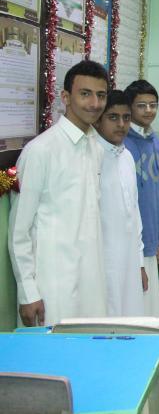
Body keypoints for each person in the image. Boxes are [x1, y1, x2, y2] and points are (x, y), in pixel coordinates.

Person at [9, 60, 109, 326]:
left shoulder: (96, 148)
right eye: (85, 94)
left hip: (91, 280)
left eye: (101, 95)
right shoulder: (41, 151)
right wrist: (28, 291)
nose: (94, 103)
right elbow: (19, 230)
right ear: (65, 97)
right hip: (53, 285)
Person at [95, 90, 147, 317]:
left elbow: (134, 213)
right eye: (113, 117)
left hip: (129, 260)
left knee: (130, 319)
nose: (121, 124)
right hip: (103, 261)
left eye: (126, 118)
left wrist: (140, 262)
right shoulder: (92, 157)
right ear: (98, 120)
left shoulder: (127, 157)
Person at [123, 79, 159, 317]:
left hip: (152, 240)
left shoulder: (158, 144)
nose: (149, 110)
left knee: (150, 308)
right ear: (130, 108)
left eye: (153, 105)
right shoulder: (121, 143)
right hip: (128, 243)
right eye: (141, 105)